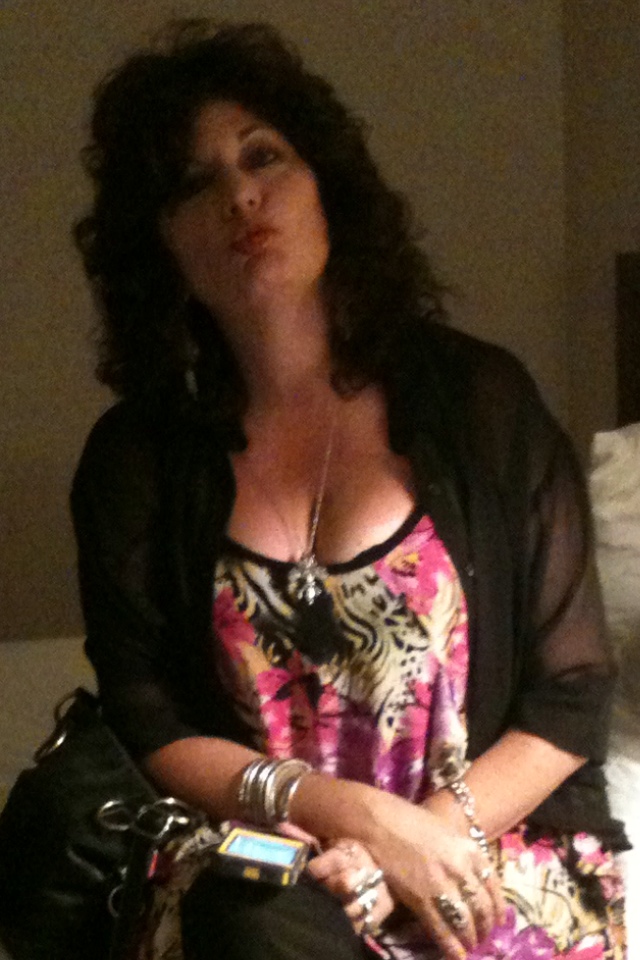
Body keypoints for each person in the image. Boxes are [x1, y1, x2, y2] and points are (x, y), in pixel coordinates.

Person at [71, 19, 627, 960]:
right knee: (252, 927)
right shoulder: (135, 458)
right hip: (271, 861)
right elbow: (148, 714)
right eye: (193, 183)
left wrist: (421, 840)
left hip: (483, 844)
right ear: (158, 242)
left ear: (327, 183)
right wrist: (351, 818)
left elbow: (572, 691)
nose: (240, 195)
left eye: (263, 156)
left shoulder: (479, 402)